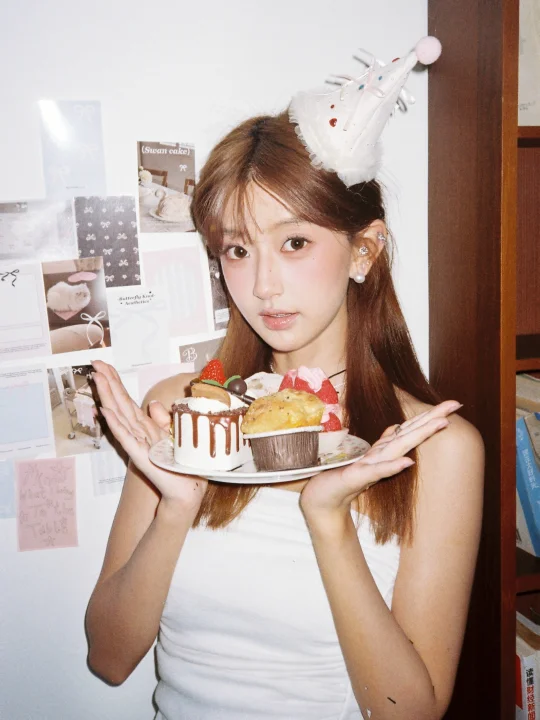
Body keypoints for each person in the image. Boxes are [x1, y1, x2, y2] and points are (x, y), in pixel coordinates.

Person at [85, 37, 484, 720]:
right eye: (238, 249)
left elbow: (410, 712)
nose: (263, 284)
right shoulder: (182, 414)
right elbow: (109, 657)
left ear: (363, 250)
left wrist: (329, 522)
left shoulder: (435, 448)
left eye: (294, 242)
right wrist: (176, 506)